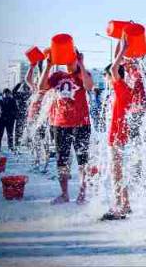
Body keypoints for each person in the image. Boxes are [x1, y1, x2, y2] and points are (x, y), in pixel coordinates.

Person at [39, 50, 94, 205]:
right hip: (60, 124)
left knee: (82, 160)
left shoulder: (83, 74)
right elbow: (41, 87)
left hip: (81, 124)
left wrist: (82, 64)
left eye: (73, 60)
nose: (69, 64)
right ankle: (64, 194)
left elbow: (89, 86)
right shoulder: (58, 76)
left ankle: (82, 193)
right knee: (61, 161)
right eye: (67, 61)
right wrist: (48, 65)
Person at [100, 38, 135, 221]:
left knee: (116, 171)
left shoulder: (120, 86)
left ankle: (119, 207)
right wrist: (120, 50)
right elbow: (116, 67)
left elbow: (114, 69)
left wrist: (124, 49)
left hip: (117, 134)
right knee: (118, 170)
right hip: (120, 133)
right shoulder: (123, 88)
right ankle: (125, 204)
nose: (105, 79)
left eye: (106, 76)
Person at [0, 88, 18, 153]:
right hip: (1, 121)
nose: (6, 94)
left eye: (8, 93)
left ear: (9, 94)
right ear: (3, 94)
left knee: (10, 134)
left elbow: (16, 110)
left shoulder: (13, 101)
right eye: (5, 93)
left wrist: (14, 116)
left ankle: (10, 147)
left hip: (10, 121)